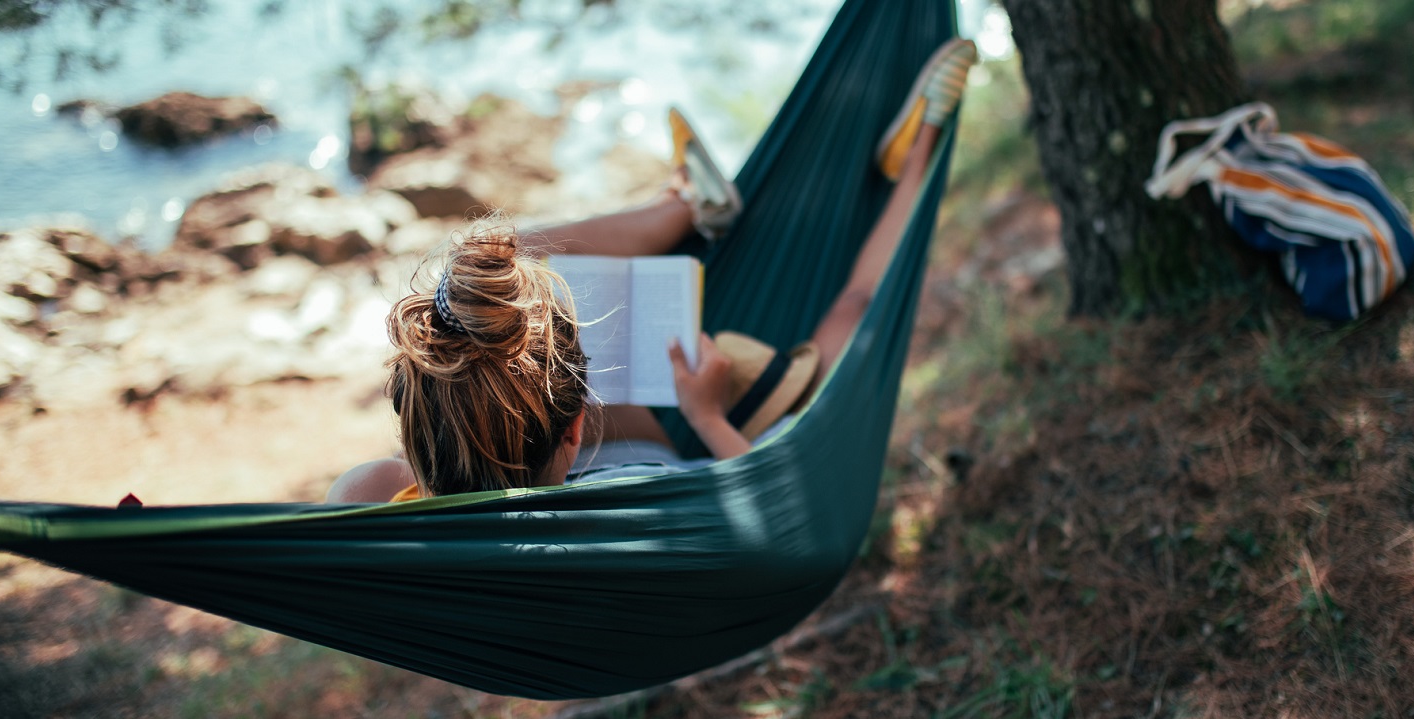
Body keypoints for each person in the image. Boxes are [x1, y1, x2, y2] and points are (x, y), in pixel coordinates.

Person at [327, 39, 977, 502]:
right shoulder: (651, 509)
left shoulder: (370, 495)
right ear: (577, 429)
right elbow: (783, 507)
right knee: (853, 307)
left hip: (508, 462)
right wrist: (708, 415)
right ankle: (913, 157)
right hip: (671, 446)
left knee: (498, 270)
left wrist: (454, 441)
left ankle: (685, 207)